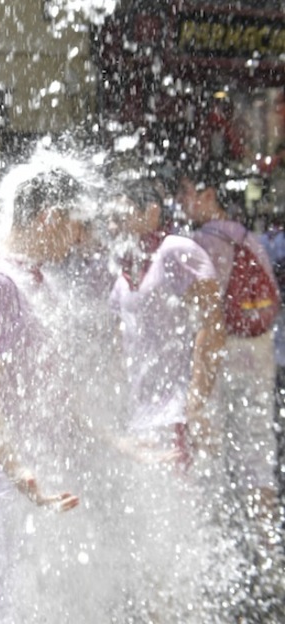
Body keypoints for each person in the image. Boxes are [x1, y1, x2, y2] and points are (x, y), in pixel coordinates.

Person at [0, 161, 128, 623]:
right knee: (9, 601)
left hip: (41, 474)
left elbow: (54, 386)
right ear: (50, 217)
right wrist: (20, 471)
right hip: (10, 483)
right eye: (74, 226)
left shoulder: (35, 279)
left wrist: (114, 441)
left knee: (45, 599)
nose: (77, 240)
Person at [107, 176, 230, 619]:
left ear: (152, 212)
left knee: (175, 535)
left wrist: (197, 403)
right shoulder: (122, 267)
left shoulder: (176, 251)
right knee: (147, 539)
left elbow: (212, 326)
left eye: (122, 208)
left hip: (175, 414)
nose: (112, 217)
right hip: (140, 420)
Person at [173, 164, 284, 597]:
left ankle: (219, 568)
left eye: (187, 193)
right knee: (258, 458)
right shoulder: (247, 236)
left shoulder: (202, 243)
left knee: (211, 460)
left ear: (207, 194)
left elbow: (203, 320)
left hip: (221, 359)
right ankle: (270, 561)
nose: (183, 203)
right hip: (258, 354)